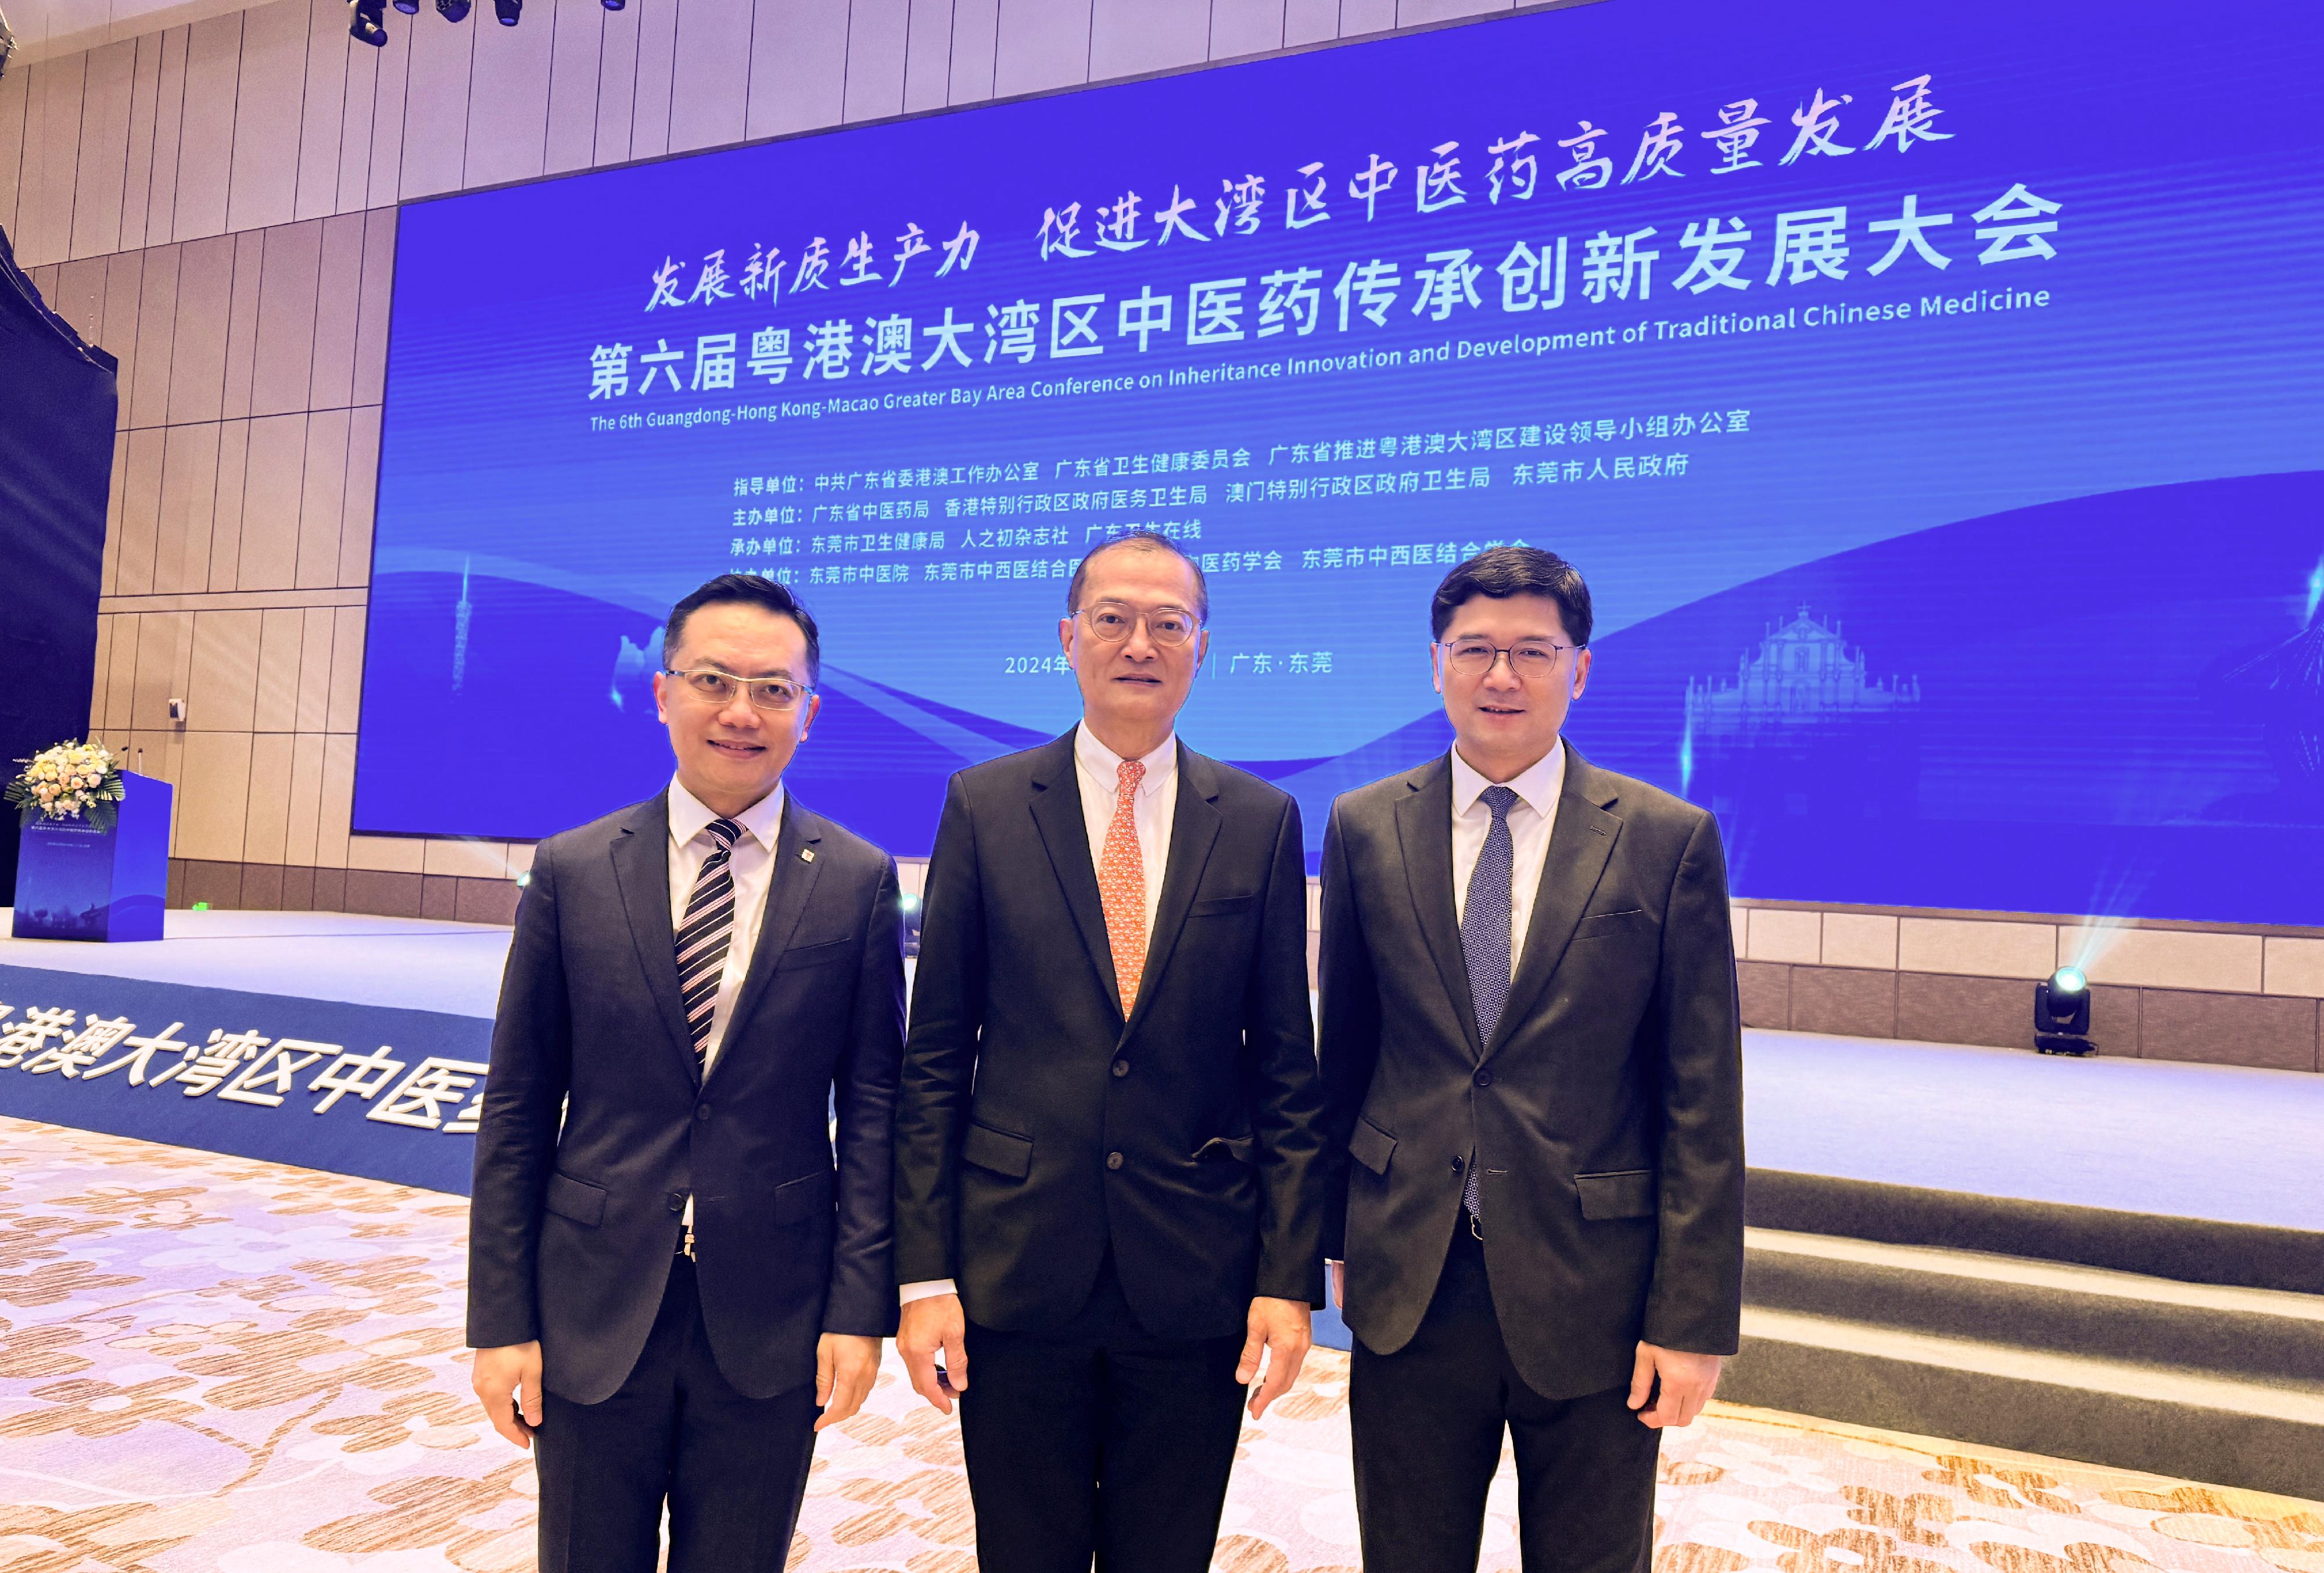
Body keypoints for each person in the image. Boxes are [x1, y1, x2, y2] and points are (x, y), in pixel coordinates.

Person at [892, 531, 1329, 1573]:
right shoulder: (987, 805)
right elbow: (937, 1057)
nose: (1141, 643)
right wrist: (921, 1276)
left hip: (1194, 1269)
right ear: (1068, 638)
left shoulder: (1260, 820)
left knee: (1164, 1553)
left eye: (1168, 623)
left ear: (1201, 648)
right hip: (1015, 1262)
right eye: (1114, 619)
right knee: (1024, 1552)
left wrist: (1286, 1279)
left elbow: (1285, 1067)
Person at [1317, 546, 1745, 1573]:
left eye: (1531, 651)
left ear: (1580, 669)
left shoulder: (1665, 840)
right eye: (1475, 650)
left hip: (1592, 1284)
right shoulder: (1365, 828)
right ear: (1436, 664)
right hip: (1413, 1278)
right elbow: (1348, 1061)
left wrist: (1694, 1318)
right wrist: (1324, 1240)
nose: (1500, 676)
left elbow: (1702, 1094)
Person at [467, 574, 906, 1573]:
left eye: (774, 689)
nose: (741, 712)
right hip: (591, 1303)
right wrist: (501, 1321)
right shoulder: (574, 869)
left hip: (773, 1313)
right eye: (713, 680)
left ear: (812, 712)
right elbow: (520, 1108)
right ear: (664, 692)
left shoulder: (854, 879)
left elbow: (874, 1111)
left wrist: (856, 1309)